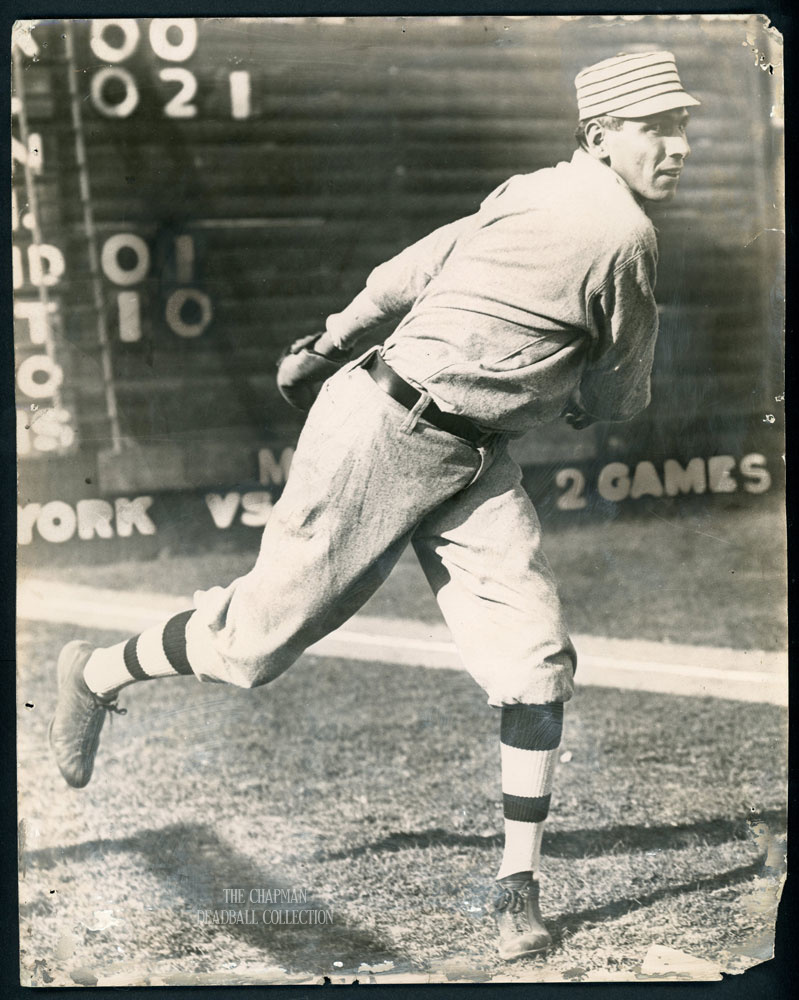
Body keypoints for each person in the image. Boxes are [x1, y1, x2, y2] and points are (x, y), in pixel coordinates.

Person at [49, 51, 698, 961]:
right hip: (382, 431)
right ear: (598, 137)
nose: (676, 145)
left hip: (472, 460)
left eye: (681, 125)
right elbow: (620, 394)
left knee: (534, 658)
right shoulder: (624, 235)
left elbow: (413, 267)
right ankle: (94, 673)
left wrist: (326, 339)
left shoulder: (528, 188)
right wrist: (576, 395)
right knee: (251, 650)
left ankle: (517, 886)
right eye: (653, 128)